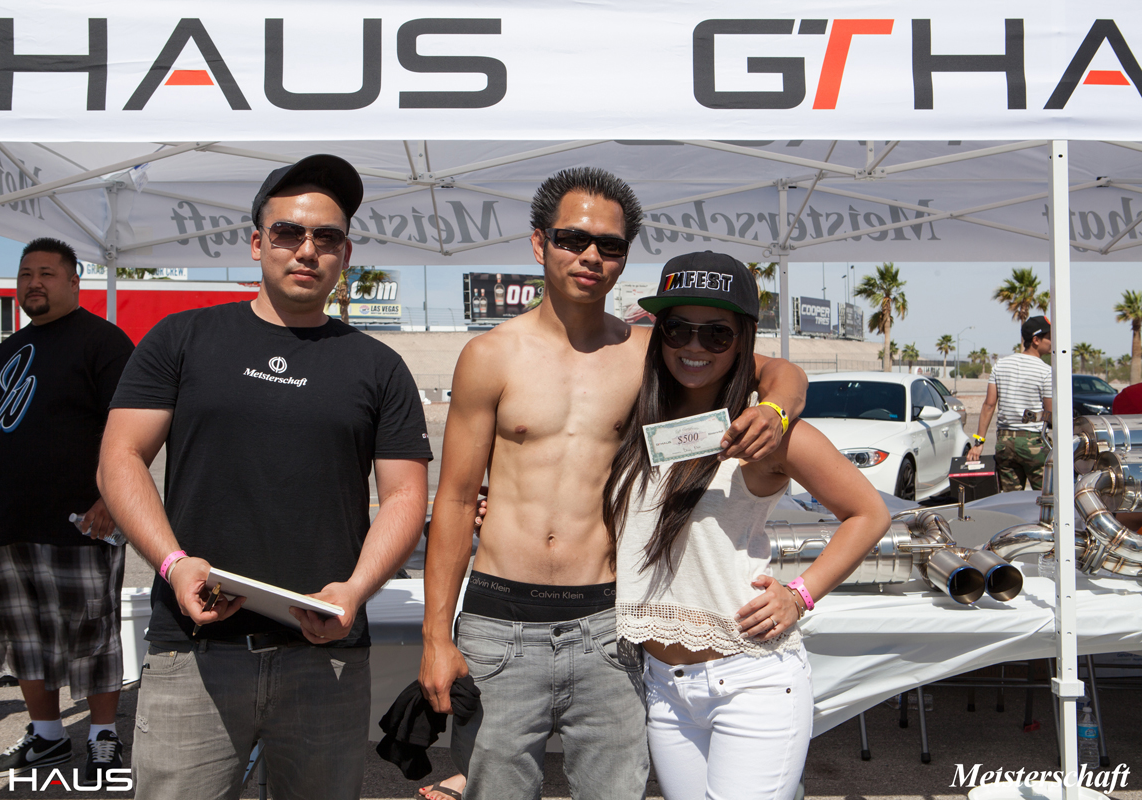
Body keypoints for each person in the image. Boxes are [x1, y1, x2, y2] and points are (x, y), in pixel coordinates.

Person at [418, 167, 807, 800]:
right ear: (540, 243)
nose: (591, 256)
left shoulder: (648, 352)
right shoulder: (489, 356)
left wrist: (777, 411)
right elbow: (457, 500)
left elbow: (778, 370)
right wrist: (436, 636)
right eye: (573, 239)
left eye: (610, 245)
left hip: (607, 624)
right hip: (498, 620)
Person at [96, 154, 432, 800]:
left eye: (326, 237)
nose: (307, 249)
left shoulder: (379, 367)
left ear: (345, 253)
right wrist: (173, 564)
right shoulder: (182, 338)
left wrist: (355, 590)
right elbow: (120, 458)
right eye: (288, 232)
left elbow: (404, 498)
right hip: (194, 651)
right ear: (257, 243)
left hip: (325, 659)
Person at [606, 251, 889, 800]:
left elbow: (869, 513)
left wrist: (801, 594)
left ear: (742, 341)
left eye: (716, 333)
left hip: (750, 680)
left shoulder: (764, 431)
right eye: (678, 329)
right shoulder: (634, 414)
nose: (693, 346)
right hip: (662, 687)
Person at [0, 237, 135, 779]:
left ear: (74, 282)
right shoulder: (5, 351)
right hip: (10, 522)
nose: (33, 283)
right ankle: (47, 736)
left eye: (47, 273)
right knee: (23, 635)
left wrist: (112, 498)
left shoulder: (104, 342)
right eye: (26, 273)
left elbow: (134, 425)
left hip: (83, 522)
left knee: (92, 635)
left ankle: (102, 736)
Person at [967, 316, 1053, 490]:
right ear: (1036, 340)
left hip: (1005, 443)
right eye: (1049, 337)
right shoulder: (1045, 371)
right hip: (1033, 442)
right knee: (1047, 496)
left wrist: (979, 443)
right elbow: (1050, 413)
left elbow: (989, 405)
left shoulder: (1001, 365)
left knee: (1011, 498)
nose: (1052, 342)